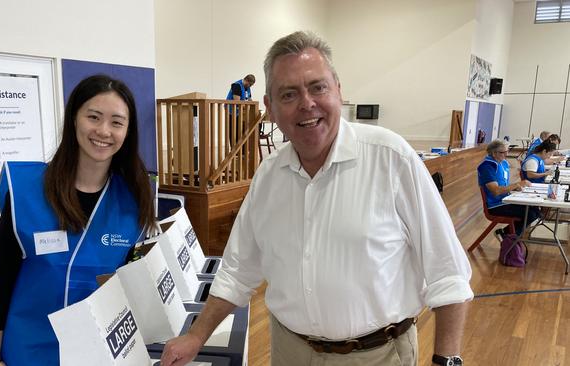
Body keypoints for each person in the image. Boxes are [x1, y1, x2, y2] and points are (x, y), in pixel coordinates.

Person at [162, 31, 473, 366]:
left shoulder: (392, 158)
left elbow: (448, 274)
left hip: (376, 355)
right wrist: (196, 336)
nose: (306, 103)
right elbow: (238, 271)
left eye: (318, 87)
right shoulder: (268, 175)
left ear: (339, 90)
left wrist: (446, 361)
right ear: (270, 108)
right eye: (289, 94)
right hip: (288, 350)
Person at [0, 74, 156, 366]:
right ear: (74, 118)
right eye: (93, 117)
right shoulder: (26, 189)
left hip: (97, 351)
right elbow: (1, 276)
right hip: (28, 349)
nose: (103, 130)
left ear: (127, 131)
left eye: (116, 122)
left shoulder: (132, 199)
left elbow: (126, 287)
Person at [478, 139, 538, 240]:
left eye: (507, 151)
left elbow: (504, 185)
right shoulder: (487, 166)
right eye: (503, 152)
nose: (507, 154)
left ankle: (506, 235)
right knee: (530, 213)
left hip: (505, 200)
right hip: (496, 206)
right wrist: (517, 184)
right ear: (494, 153)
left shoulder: (504, 163)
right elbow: (496, 191)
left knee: (535, 209)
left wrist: (516, 188)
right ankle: (509, 238)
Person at [226, 74, 256, 146]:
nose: (249, 87)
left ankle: (242, 150)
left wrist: (253, 105)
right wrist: (245, 106)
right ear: (246, 80)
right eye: (249, 84)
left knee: (241, 131)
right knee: (233, 131)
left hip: (240, 113)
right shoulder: (237, 85)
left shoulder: (247, 87)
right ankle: (234, 150)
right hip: (231, 111)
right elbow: (237, 102)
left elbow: (249, 99)